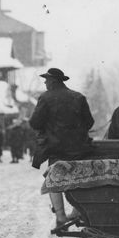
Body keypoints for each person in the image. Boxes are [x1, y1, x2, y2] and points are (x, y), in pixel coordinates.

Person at [29, 67, 94, 226]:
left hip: (57, 149)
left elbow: (35, 122)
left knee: (54, 179)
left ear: (52, 81)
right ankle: (77, 211)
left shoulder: (45, 98)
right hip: (79, 149)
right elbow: (90, 122)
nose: (45, 82)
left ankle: (60, 216)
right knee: (79, 178)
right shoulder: (78, 97)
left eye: (46, 80)